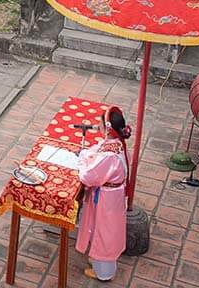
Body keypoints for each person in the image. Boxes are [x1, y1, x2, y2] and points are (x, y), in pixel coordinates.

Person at [76, 106, 131, 282]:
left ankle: (103, 273)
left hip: (107, 199)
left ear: (107, 128)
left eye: (100, 124)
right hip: (111, 196)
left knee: (104, 232)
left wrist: (81, 161)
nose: (97, 127)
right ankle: (100, 263)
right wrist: (85, 155)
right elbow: (94, 151)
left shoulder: (109, 155)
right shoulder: (116, 144)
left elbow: (88, 176)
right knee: (106, 230)